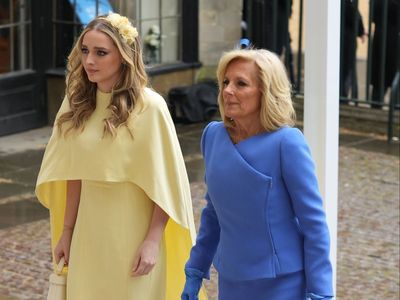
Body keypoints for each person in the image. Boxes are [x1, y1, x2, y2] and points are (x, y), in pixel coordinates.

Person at [35, 13, 207, 300]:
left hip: (133, 234)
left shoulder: (151, 107)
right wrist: (67, 231)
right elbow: (74, 170)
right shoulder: (76, 102)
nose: (89, 61)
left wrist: (153, 241)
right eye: (85, 51)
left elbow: (165, 181)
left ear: (124, 56)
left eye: (101, 53)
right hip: (88, 233)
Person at [181, 49, 333, 300]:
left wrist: (321, 291)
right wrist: (196, 268)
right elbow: (214, 212)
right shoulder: (213, 136)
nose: (228, 90)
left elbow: (313, 223)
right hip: (231, 281)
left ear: (267, 92)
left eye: (241, 84)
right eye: (225, 82)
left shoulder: (287, 143)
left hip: (282, 284)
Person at [370, 0, 400, 108]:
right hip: (391, 40)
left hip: (382, 38)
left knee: (380, 81)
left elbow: (373, 17)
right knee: (390, 80)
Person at [340, 0, 367, 101]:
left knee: (347, 69)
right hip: (347, 40)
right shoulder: (348, 3)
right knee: (346, 69)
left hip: (346, 38)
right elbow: (354, 15)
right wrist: (361, 31)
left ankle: (345, 95)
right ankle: (343, 96)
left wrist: (361, 31)